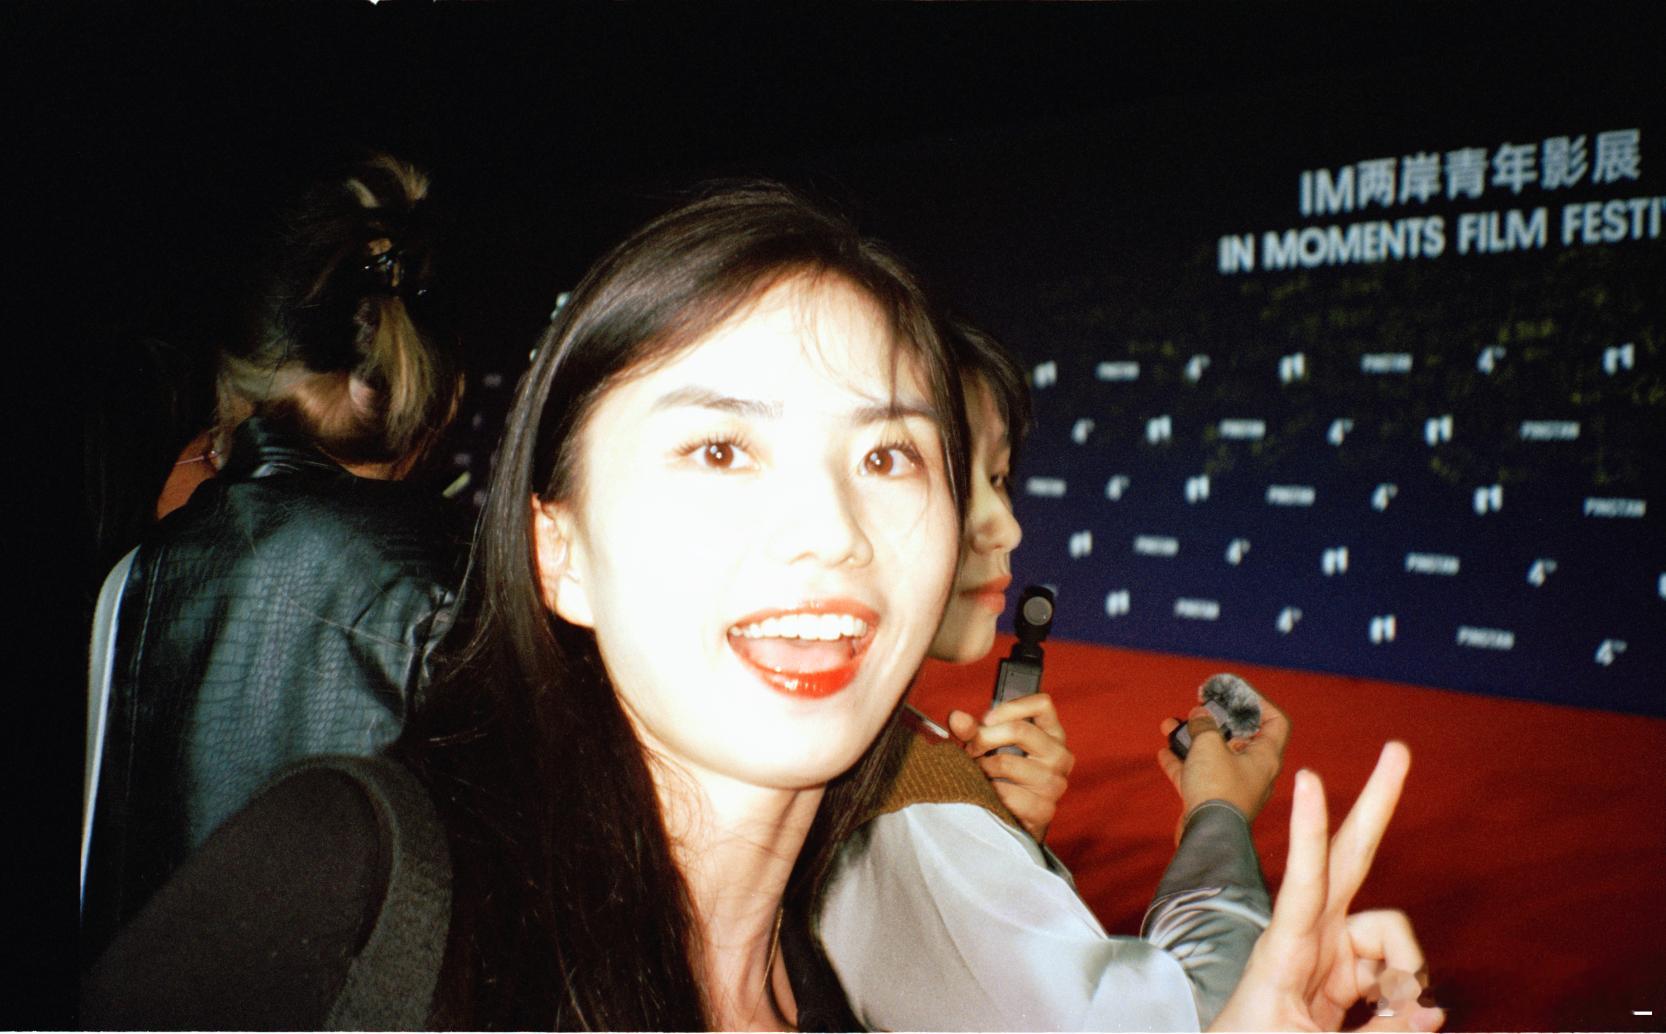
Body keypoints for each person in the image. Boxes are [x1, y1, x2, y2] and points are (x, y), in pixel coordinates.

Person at [82, 183, 1435, 1033]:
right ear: (558, 552)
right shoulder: (352, 882)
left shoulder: (824, 988)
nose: (831, 529)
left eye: (889, 455)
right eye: (721, 448)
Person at [818, 320, 1291, 1030]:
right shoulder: (912, 806)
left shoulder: (872, 763)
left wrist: (1003, 843)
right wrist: (1217, 816)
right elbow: (1209, 1017)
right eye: (944, 473)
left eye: (998, 478)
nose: (1005, 525)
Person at [81, 153, 466, 957]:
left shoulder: (133, 580)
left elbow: (101, 878)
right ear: (439, 392)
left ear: (230, 386)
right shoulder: (458, 582)